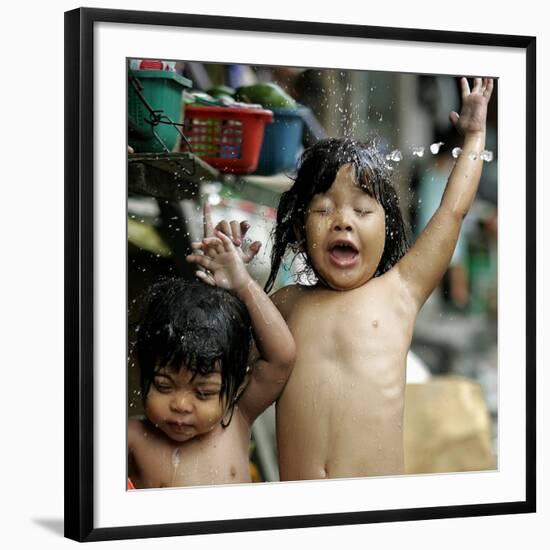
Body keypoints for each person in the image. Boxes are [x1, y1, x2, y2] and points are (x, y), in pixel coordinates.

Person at [219, 77, 493, 479]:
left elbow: (452, 211)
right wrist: (232, 279)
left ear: (388, 230)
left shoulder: (400, 291)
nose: (343, 222)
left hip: (375, 512)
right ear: (298, 229)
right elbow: (229, 380)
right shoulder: (284, 304)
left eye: (362, 212)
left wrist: (473, 138)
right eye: (324, 210)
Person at [127, 227, 295, 488]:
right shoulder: (131, 437)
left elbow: (281, 358)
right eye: (163, 386)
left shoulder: (236, 420)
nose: (181, 404)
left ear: (238, 386)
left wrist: (243, 284)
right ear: (142, 371)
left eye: (204, 393)